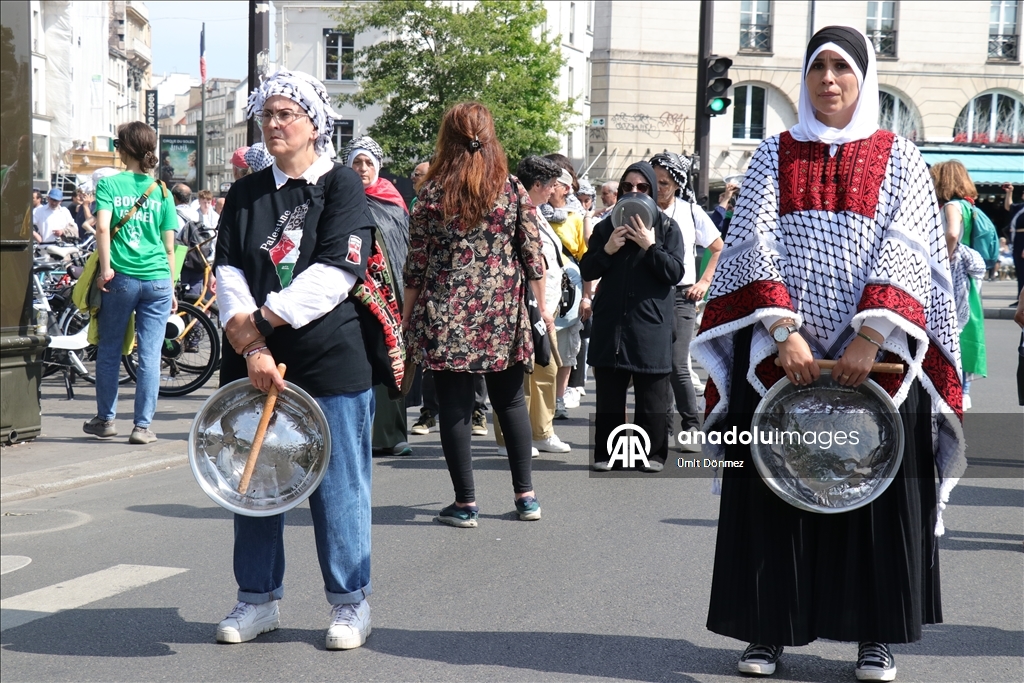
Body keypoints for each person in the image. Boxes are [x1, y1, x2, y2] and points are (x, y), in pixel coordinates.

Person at [689, 27, 965, 681]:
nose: (830, 79)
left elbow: (908, 244)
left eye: (843, 68)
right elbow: (752, 238)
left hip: (883, 359)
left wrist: (869, 338)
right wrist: (786, 334)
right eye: (819, 68)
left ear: (863, 78)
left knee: (878, 497)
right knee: (774, 492)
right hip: (783, 358)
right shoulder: (771, 152)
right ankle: (766, 630)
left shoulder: (899, 154)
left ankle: (877, 636)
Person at [213, 69, 382, 650]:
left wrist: (259, 323)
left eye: (287, 113)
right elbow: (229, 271)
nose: (275, 122)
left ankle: (349, 602)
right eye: (269, 113)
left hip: (327, 360)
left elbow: (335, 274)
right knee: (255, 482)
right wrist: (253, 347)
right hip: (255, 365)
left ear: (315, 123)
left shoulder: (341, 187)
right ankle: (258, 599)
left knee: (339, 489)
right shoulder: (246, 192)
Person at [403, 101, 545, 527]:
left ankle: (465, 503)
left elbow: (416, 266)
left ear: (448, 137)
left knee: (455, 408)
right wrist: (542, 311)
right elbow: (532, 254)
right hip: (503, 310)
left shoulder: (431, 192)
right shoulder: (511, 187)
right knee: (511, 402)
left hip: (447, 312)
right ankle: (526, 498)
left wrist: (406, 318)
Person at [580, 162, 685, 473]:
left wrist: (650, 246)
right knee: (609, 393)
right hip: (612, 323)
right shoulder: (605, 227)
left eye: (642, 187)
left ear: (652, 190)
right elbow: (587, 270)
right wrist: (607, 250)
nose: (634, 192)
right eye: (628, 187)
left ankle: (651, 454)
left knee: (652, 392)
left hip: (650, 323)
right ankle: (608, 452)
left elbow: (675, 273)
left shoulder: (666, 228)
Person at [82, 121, 178, 444]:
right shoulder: (163, 191)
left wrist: (105, 269)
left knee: (109, 349)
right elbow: (169, 246)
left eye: (117, 145)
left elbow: (102, 229)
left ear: (124, 149)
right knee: (150, 354)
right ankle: (142, 427)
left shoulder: (110, 185)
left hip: (121, 277)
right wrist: (172, 285)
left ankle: (106, 419)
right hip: (158, 280)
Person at [493, 155, 571, 455]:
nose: (554, 191)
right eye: (551, 185)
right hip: (520, 307)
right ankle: (509, 438)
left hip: (543, 309)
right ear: (536, 184)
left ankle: (540, 432)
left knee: (546, 371)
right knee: (518, 378)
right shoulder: (513, 209)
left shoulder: (537, 211)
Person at [649, 151, 723, 451]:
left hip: (681, 295)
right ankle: (662, 427)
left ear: (677, 184)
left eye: (664, 183)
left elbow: (718, 247)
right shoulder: (641, 208)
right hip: (649, 297)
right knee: (656, 366)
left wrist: (704, 282)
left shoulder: (691, 212)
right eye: (653, 182)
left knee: (678, 364)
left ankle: (692, 426)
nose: (658, 188)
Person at [345, 135, 413, 457]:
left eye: (368, 163)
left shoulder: (392, 201)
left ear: (378, 167)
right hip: (354, 295)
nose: (362, 168)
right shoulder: (342, 199)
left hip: (391, 294)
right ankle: (361, 435)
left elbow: (405, 249)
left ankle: (393, 434)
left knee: (391, 359)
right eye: (356, 162)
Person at [931, 160, 987, 412]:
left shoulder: (952, 205)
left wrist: (944, 258)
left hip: (955, 274)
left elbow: (952, 233)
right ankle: (962, 390)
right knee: (967, 329)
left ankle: (957, 389)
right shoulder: (969, 206)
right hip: (970, 274)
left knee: (950, 326)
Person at [543, 168, 590, 418]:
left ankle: (559, 398)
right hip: (542, 288)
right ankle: (541, 400)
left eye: (556, 184)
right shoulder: (534, 213)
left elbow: (587, 258)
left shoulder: (577, 216)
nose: (552, 188)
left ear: (564, 188)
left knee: (565, 350)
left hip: (570, 290)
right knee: (542, 347)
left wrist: (587, 296)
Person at [1002, 182, 1024, 296]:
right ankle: (1020, 298)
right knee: (1020, 271)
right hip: (1017, 240)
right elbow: (1008, 206)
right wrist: (1009, 192)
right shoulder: (1020, 207)